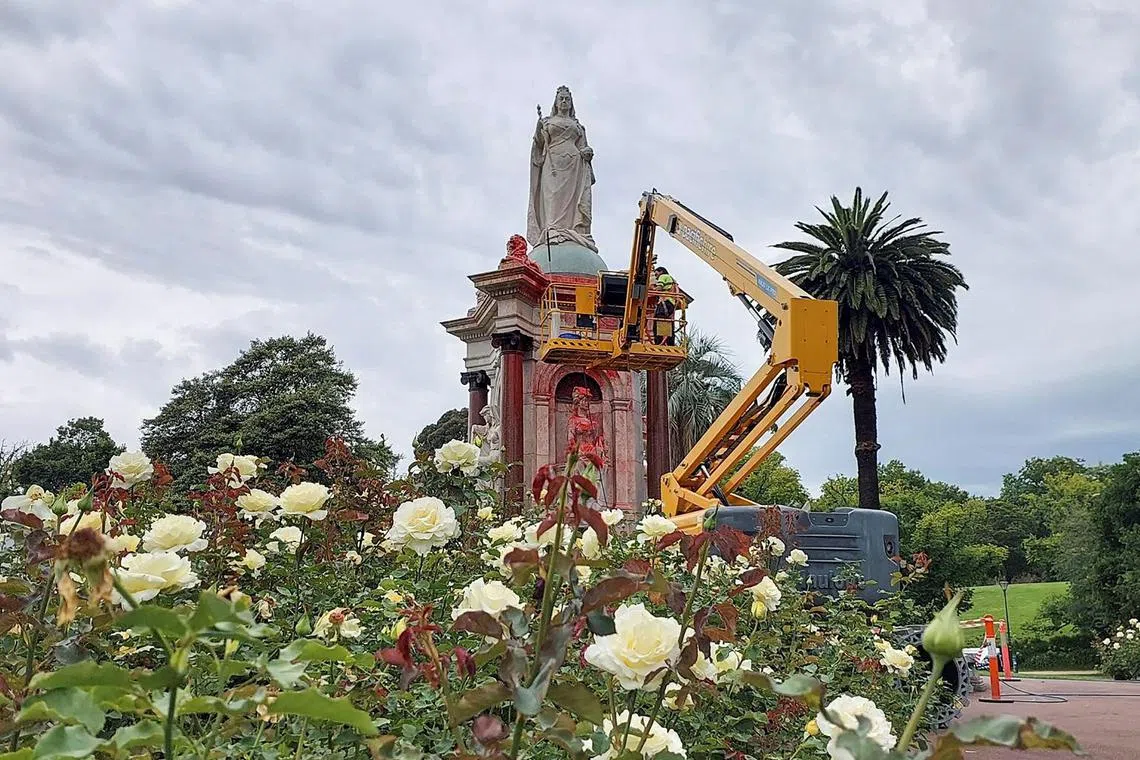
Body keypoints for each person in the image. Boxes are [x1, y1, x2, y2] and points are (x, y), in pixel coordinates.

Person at [650, 266, 680, 345]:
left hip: (665, 302)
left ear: (661, 271)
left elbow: (659, 288)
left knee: (658, 321)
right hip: (670, 303)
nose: (655, 275)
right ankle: (670, 343)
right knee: (668, 322)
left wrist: (650, 289)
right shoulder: (673, 280)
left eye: (656, 273)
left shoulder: (663, 276)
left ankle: (658, 342)